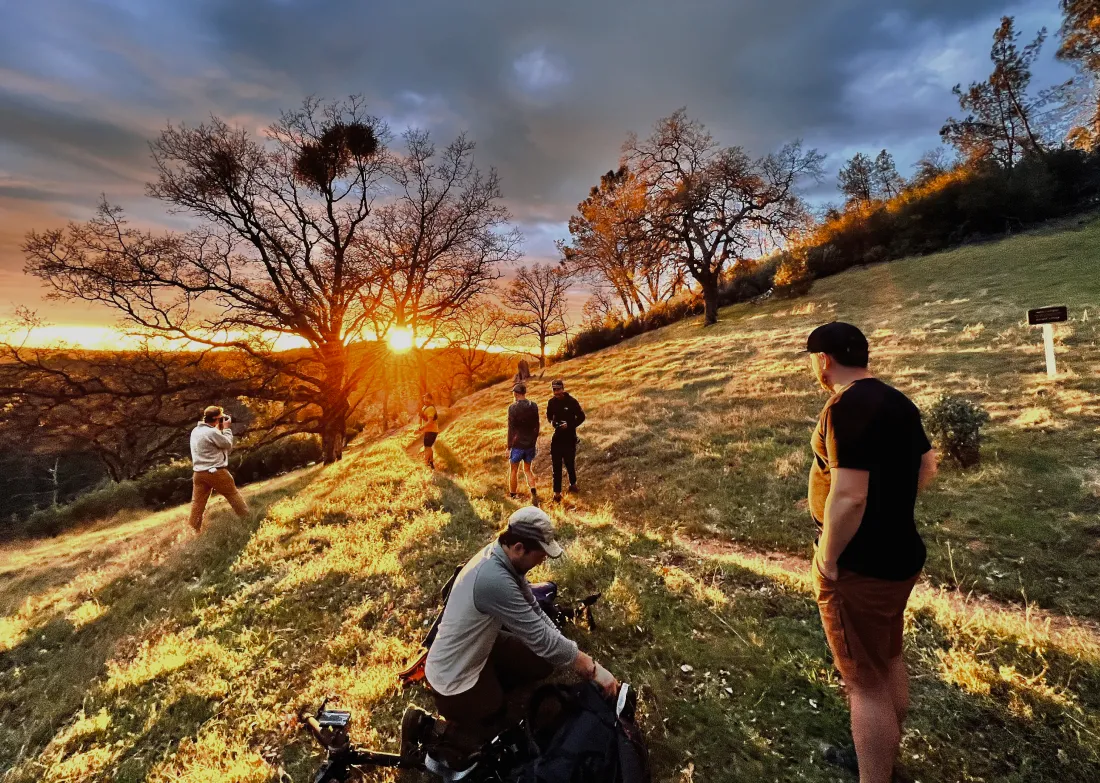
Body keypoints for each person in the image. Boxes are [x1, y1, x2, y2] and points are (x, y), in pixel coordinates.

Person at [805, 322, 938, 783]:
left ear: (824, 360)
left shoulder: (845, 407)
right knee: (888, 657)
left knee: (864, 683)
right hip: (901, 553)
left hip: (860, 566)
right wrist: (891, 505)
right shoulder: (897, 400)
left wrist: (828, 556)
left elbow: (849, 496)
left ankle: (874, 775)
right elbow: (927, 463)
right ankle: (882, 760)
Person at [402, 507, 619, 769]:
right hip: (452, 679)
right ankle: (428, 726)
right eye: (540, 555)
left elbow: (535, 611)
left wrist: (561, 642)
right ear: (519, 547)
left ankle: (491, 680)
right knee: (501, 730)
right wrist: (592, 668)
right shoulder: (493, 578)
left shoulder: (503, 558)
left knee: (542, 661)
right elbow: (538, 636)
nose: (542, 562)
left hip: (482, 646)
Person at [188, 405, 249, 532]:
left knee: (197, 504)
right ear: (216, 418)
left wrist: (219, 427)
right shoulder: (211, 432)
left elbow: (214, 440)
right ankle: (247, 520)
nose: (223, 420)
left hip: (198, 473)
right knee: (233, 494)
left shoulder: (196, 431)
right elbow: (227, 444)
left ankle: (193, 531)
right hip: (215, 472)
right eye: (221, 418)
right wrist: (226, 429)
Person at [545, 378, 586, 503]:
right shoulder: (551, 402)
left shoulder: (572, 401)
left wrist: (569, 424)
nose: (556, 392)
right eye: (554, 390)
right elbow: (548, 415)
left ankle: (573, 484)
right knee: (556, 466)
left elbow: (581, 417)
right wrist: (552, 422)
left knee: (569, 463)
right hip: (557, 438)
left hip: (569, 437)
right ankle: (557, 494)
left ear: (563, 389)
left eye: (558, 389)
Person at [506, 383, 540, 504]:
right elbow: (537, 426)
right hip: (530, 444)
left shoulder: (512, 408)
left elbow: (511, 429)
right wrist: (533, 440)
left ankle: (513, 495)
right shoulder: (533, 406)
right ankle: (533, 491)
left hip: (517, 445)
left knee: (514, 470)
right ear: (524, 393)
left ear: (515, 393)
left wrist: (509, 446)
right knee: (527, 469)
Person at [419, 392, 440, 470]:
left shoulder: (431, 408)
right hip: (428, 431)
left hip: (432, 431)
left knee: (427, 447)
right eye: (424, 398)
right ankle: (431, 463)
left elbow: (430, 421)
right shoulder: (424, 407)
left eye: (427, 398)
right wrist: (420, 428)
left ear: (431, 399)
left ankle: (426, 464)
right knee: (428, 447)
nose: (425, 399)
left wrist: (422, 428)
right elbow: (422, 418)